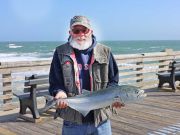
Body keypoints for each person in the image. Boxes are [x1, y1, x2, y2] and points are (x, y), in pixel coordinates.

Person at [49, 15, 123, 135]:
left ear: (91, 31)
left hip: (101, 120)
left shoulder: (105, 52)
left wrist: (114, 98)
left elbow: (113, 81)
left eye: (84, 30)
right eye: (76, 30)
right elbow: (55, 82)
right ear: (70, 32)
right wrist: (59, 92)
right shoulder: (60, 52)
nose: (81, 34)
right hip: (72, 121)